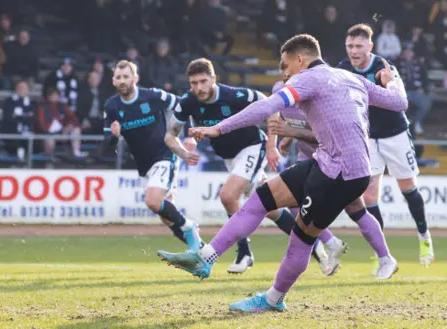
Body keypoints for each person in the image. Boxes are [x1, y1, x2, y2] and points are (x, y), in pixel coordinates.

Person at [158, 34, 407, 312]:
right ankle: (206, 257)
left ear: (300, 59)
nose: (285, 74)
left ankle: (273, 299)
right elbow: (398, 102)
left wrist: (219, 128)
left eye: (285, 66)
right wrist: (391, 80)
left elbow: (267, 106)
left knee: (301, 236)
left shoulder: (307, 78)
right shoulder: (350, 77)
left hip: (340, 174)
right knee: (262, 198)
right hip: (331, 162)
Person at [166, 58, 330, 275]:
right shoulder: (187, 102)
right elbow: (170, 135)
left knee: (227, 195)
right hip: (230, 159)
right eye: (194, 83)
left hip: (253, 147)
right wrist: (184, 153)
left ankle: (244, 253)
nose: (199, 87)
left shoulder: (235, 95)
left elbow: (272, 106)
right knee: (269, 207)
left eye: (203, 81)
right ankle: (314, 245)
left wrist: (271, 145)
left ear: (213, 79)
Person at [267, 64, 397, 276]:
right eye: (284, 69)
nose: (288, 74)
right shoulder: (281, 89)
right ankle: (331, 242)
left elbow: (324, 133)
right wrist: (280, 140)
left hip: (336, 157)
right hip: (310, 156)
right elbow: (278, 116)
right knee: (292, 201)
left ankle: (385, 258)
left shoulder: (323, 88)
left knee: (355, 207)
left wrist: (292, 132)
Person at [338, 24, 434, 269]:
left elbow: (399, 98)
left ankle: (424, 237)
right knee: (369, 194)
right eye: (350, 45)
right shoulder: (343, 69)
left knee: (407, 187)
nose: (354, 50)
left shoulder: (383, 67)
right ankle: (383, 256)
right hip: (368, 137)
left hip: (395, 134)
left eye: (359, 46)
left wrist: (389, 86)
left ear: (370, 46)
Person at [101, 60, 202, 251]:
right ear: (113, 81)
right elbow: (107, 145)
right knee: (166, 215)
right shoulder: (111, 106)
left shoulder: (153, 96)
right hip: (145, 164)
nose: (122, 80)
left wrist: (190, 134)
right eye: (118, 77)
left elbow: (184, 105)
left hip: (165, 155)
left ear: (135, 78)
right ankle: (201, 250)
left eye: (126, 76)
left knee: (152, 201)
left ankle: (189, 226)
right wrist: (114, 137)